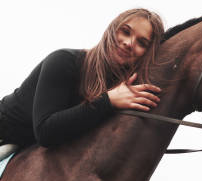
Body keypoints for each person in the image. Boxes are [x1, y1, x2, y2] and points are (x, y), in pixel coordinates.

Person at [0, 9, 164, 157]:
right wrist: (108, 101)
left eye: (142, 43)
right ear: (111, 30)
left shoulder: (122, 90)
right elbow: (45, 132)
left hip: (25, 152)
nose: (129, 43)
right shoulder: (64, 61)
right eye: (126, 32)